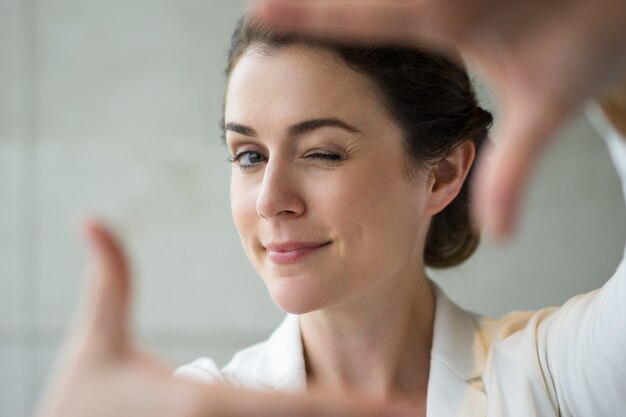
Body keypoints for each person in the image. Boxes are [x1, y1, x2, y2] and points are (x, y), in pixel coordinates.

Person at [32, 1, 626, 417]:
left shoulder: (552, 378)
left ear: (441, 173)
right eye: (247, 155)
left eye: (321, 152)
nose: (270, 201)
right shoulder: (202, 403)